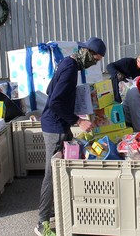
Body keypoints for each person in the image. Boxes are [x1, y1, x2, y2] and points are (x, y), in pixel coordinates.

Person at [35, 37, 106, 236]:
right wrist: (78, 121)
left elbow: (50, 90)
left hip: (58, 124)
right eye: (95, 58)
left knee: (63, 168)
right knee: (52, 173)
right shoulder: (69, 69)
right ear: (86, 52)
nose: (95, 62)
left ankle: (58, 211)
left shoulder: (67, 63)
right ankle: (42, 223)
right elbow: (55, 102)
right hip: (55, 127)